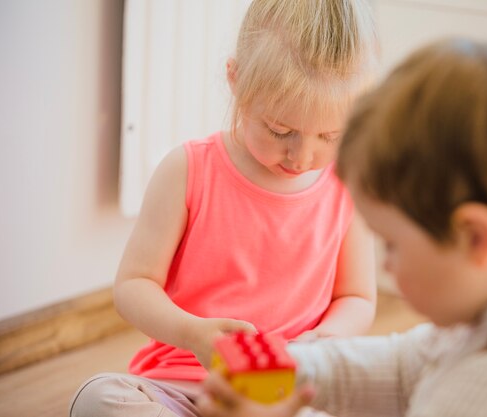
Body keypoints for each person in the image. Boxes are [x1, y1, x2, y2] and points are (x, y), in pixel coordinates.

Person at [194, 38, 487, 417]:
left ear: (475, 239)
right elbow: (404, 369)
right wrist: (292, 369)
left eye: (392, 244)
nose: (388, 266)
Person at [69, 1, 378, 416]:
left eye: (329, 135)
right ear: (235, 79)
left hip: (286, 397)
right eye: (279, 130)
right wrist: (193, 333)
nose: (302, 156)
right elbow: (133, 286)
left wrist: (327, 338)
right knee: (98, 399)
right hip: (184, 389)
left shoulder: (346, 186)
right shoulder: (187, 169)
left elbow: (357, 297)